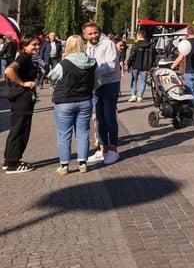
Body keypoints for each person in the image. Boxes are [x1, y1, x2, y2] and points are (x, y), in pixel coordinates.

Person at [47, 35, 97, 175]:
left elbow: (52, 76)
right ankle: (82, 163)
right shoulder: (92, 62)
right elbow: (98, 82)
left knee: (64, 134)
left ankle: (64, 165)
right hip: (85, 100)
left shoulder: (64, 63)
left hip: (64, 101)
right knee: (83, 133)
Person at [83, 21, 121, 166]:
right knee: (98, 117)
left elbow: (111, 64)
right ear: (85, 35)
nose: (94, 35)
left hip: (110, 83)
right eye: (90, 34)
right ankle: (103, 148)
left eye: (95, 32)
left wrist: (95, 71)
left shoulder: (108, 44)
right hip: (96, 85)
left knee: (109, 115)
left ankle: (114, 149)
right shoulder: (89, 46)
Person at [2, 34, 40, 173]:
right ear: (24, 46)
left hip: (21, 97)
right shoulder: (23, 57)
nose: (37, 47)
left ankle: (10, 160)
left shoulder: (26, 57)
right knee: (20, 129)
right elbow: (9, 71)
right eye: (33, 44)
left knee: (17, 128)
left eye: (37, 44)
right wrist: (23, 83)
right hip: (22, 97)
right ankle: (13, 163)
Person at [126, 30, 157, 103]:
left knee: (134, 80)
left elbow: (131, 56)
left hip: (135, 65)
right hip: (146, 66)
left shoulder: (135, 45)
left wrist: (129, 64)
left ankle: (133, 95)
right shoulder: (151, 45)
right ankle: (140, 96)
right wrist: (151, 66)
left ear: (138, 36)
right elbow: (154, 56)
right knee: (143, 81)